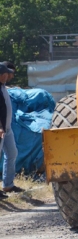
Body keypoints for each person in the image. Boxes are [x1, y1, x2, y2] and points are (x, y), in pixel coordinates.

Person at [0, 62, 22, 194]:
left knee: (12, 153)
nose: (8, 76)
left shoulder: (3, 86)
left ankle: (8, 185)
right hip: (1, 129)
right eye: (5, 74)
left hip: (7, 129)